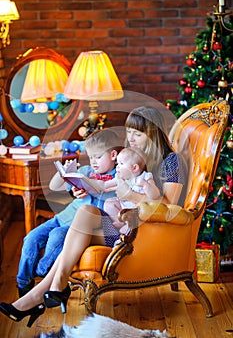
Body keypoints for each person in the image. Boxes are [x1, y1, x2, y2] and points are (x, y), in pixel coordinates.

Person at [0, 106, 186, 327]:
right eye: (129, 132)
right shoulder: (129, 160)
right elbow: (104, 184)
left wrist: (131, 195)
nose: (131, 139)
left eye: (138, 134)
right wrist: (80, 184)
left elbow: (169, 208)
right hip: (118, 227)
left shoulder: (170, 161)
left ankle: (37, 296)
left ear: (153, 133)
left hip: (141, 233)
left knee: (76, 233)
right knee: (85, 212)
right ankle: (55, 286)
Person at [16, 128, 120, 298]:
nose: (93, 161)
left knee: (57, 237)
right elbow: (54, 186)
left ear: (113, 155)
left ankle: (42, 274)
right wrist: (63, 173)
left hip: (79, 225)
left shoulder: (118, 175)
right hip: (63, 216)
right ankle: (24, 285)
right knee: (31, 238)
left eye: (98, 157)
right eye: (91, 156)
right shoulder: (86, 171)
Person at [96, 147, 159, 228]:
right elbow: (105, 185)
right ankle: (119, 221)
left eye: (121, 164)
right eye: (117, 163)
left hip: (138, 211)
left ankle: (127, 226)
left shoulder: (145, 177)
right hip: (123, 207)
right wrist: (95, 184)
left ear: (134, 168)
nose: (117, 167)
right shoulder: (123, 177)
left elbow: (155, 195)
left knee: (131, 225)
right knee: (109, 203)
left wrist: (145, 185)